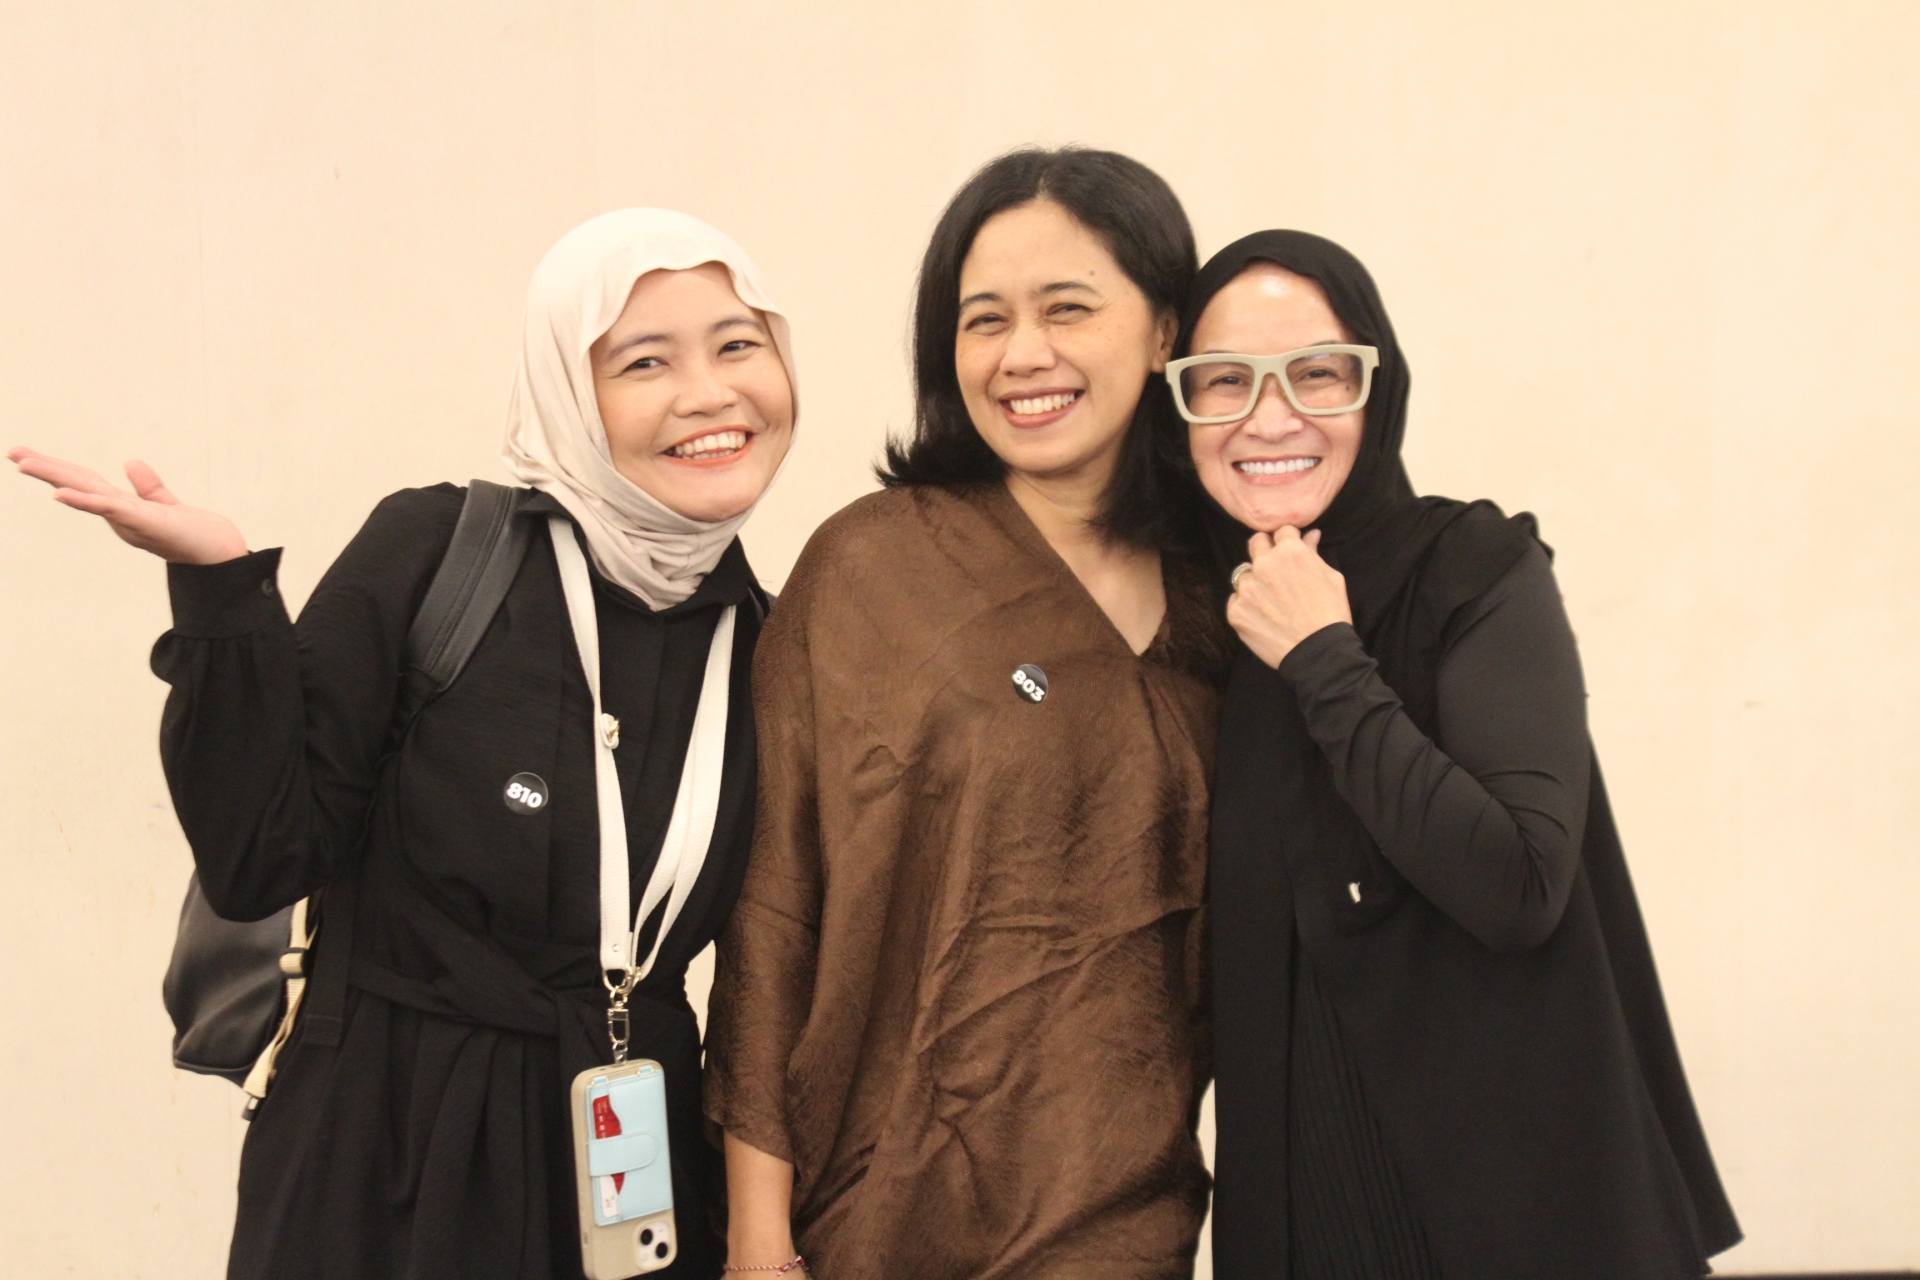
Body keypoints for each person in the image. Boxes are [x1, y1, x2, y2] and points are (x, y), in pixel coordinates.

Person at [9, 208, 797, 1280]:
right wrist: (222, 595)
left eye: (738, 344)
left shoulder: (771, 647)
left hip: (631, 1176)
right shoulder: (441, 555)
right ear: (569, 393)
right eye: (644, 361)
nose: (707, 393)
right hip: (383, 1155)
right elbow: (260, 856)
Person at [703, 148, 1231, 1280]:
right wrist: (757, 1241)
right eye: (983, 319)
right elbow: (773, 916)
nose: (1021, 353)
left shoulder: (1227, 600)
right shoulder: (872, 570)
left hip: (1129, 1223)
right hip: (874, 1216)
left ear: (1163, 331)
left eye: (1067, 308)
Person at [1173, 230, 1741, 1279]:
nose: (1270, 416)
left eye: (1318, 373)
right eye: (1224, 380)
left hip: (1516, 1217)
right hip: (1305, 1220)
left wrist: (1325, 656)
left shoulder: (1477, 570)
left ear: (1378, 387)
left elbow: (1519, 883)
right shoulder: (1201, 621)